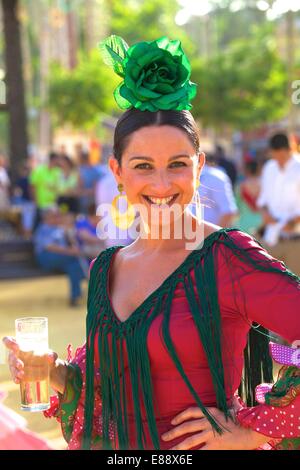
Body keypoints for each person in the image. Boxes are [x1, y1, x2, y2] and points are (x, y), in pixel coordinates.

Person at [3, 36, 300, 451]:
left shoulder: (226, 257)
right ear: (117, 172)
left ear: (198, 167)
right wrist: (52, 371)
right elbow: (108, 389)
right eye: (143, 166)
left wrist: (255, 429)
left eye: (177, 165)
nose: (162, 184)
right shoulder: (105, 267)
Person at [257, 133, 300, 275]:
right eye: (275, 156)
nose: (279, 160)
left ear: (289, 149)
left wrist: (294, 221)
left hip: (295, 241)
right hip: (271, 238)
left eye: (281, 156)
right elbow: (262, 200)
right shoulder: (270, 168)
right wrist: (265, 214)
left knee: (295, 288)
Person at [33, 209, 86, 306]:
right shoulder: (43, 228)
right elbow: (49, 247)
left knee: (73, 265)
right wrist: (69, 251)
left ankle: (74, 297)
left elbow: (73, 243)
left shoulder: (60, 228)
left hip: (63, 259)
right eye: (54, 216)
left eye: (58, 216)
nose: (57, 218)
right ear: (47, 218)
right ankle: (80, 289)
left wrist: (68, 232)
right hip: (46, 257)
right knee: (75, 260)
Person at [193, 154, 238, 227]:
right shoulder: (216, 175)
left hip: (207, 235)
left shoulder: (215, 176)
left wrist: (214, 236)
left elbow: (228, 212)